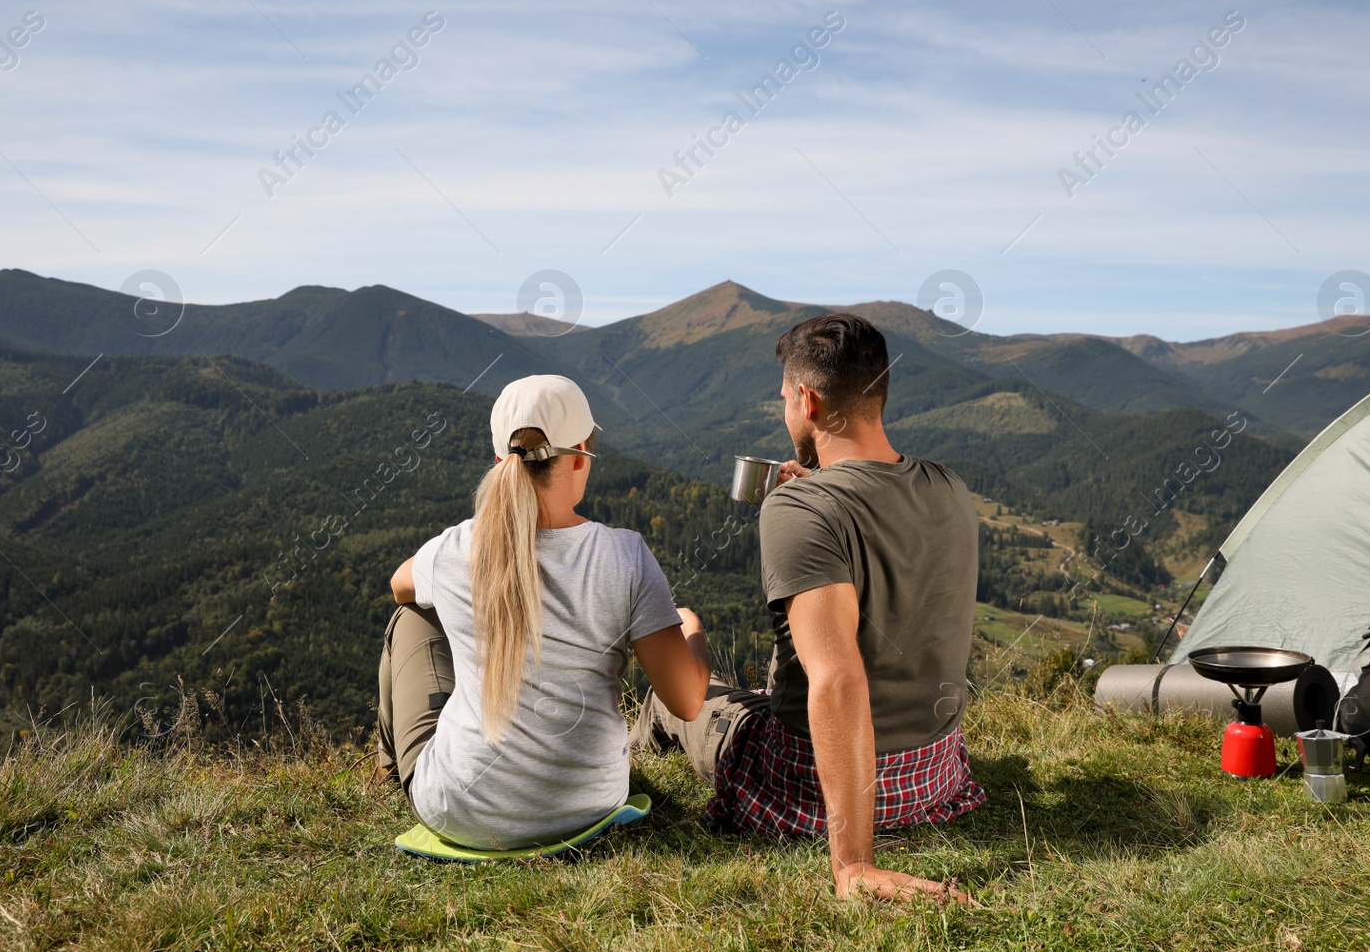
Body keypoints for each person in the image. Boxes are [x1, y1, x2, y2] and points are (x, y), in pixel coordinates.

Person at [631, 313, 985, 901]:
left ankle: (611, 763)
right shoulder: (949, 486)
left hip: (807, 787)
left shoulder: (799, 510)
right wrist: (815, 487)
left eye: (784, 400)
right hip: (934, 775)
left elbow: (838, 679)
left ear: (808, 399)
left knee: (679, 701)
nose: (785, 413)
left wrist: (853, 864)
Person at [376, 374, 710, 850]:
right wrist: (692, 630)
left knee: (410, 616)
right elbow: (687, 702)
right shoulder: (625, 555)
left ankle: (391, 768)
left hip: (460, 811)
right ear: (580, 456)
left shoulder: (457, 548)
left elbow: (398, 585)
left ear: (499, 460)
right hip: (589, 807)